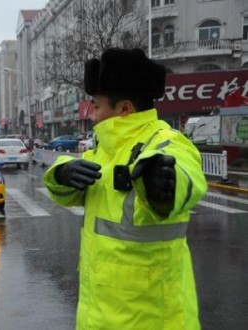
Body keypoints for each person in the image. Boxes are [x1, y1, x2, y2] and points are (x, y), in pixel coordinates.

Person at [43, 48, 207, 329]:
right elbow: (70, 192)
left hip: (153, 319)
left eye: (96, 106)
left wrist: (165, 182)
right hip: (99, 315)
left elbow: (186, 173)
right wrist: (61, 173)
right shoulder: (107, 149)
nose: (91, 115)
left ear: (124, 108)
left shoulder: (165, 141)